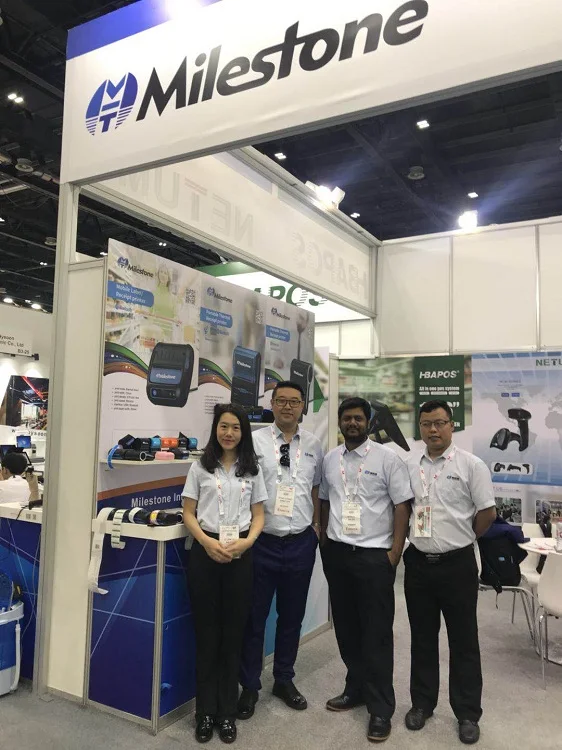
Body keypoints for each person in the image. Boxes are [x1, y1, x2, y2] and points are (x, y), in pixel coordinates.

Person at [319, 396, 412, 743]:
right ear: (340, 422)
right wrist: (324, 540)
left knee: (376, 634)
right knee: (346, 629)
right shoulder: (331, 459)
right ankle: (355, 688)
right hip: (339, 554)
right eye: (347, 418)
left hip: (374, 556)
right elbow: (324, 499)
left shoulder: (388, 459)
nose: (353, 424)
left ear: (368, 422)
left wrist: (395, 552)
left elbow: (402, 506)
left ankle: (381, 708)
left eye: (359, 418)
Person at [403, 400, 496, 746]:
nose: (433, 430)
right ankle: (422, 704)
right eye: (426, 423)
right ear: (420, 428)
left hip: (457, 564)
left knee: (464, 640)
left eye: (439, 423)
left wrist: (464, 537)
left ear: (451, 425)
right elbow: (405, 508)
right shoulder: (410, 465)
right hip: (418, 564)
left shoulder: (471, 465)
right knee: (422, 638)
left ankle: (468, 713)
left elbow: (487, 513)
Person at [238, 381, 324, 719]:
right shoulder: (254, 441)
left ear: (303, 406)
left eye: (294, 401)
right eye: (281, 401)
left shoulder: (314, 445)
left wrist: (315, 527)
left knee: (292, 617)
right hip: (262, 542)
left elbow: (315, 489)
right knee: (254, 617)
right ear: (272, 404)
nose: (288, 406)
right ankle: (249, 686)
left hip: (300, 542)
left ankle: (284, 679)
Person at [182, 403, 266, 744]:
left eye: (235, 427)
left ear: (243, 433)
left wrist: (247, 542)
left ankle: (227, 714)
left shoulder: (252, 469)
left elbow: (259, 515)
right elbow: (188, 513)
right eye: (223, 426)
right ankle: (205, 713)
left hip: (240, 554)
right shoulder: (200, 467)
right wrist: (206, 542)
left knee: (233, 636)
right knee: (206, 637)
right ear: (215, 429)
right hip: (205, 552)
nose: (229, 433)